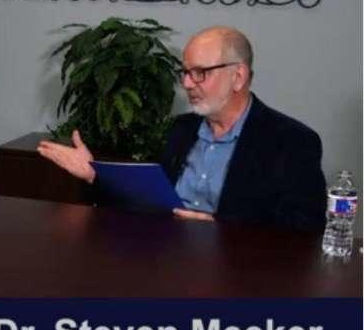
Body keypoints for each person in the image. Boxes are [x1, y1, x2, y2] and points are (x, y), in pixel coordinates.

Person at [37, 26, 326, 234]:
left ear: (238, 77)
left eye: (200, 73)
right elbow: (148, 199)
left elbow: (305, 229)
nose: (187, 84)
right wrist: (94, 174)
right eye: (185, 72)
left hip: (236, 271)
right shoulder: (181, 129)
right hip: (163, 256)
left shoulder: (291, 141)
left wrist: (219, 229)